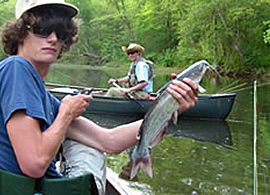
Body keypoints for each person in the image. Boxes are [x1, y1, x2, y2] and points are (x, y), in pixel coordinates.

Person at [0, 0, 198, 194]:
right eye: (42, 29)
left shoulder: (45, 98)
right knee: (77, 142)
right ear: (20, 33)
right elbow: (34, 164)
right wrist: (66, 114)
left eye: (60, 32)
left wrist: (170, 106)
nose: (52, 38)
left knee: (88, 143)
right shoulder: (16, 67)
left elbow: (108, 141)